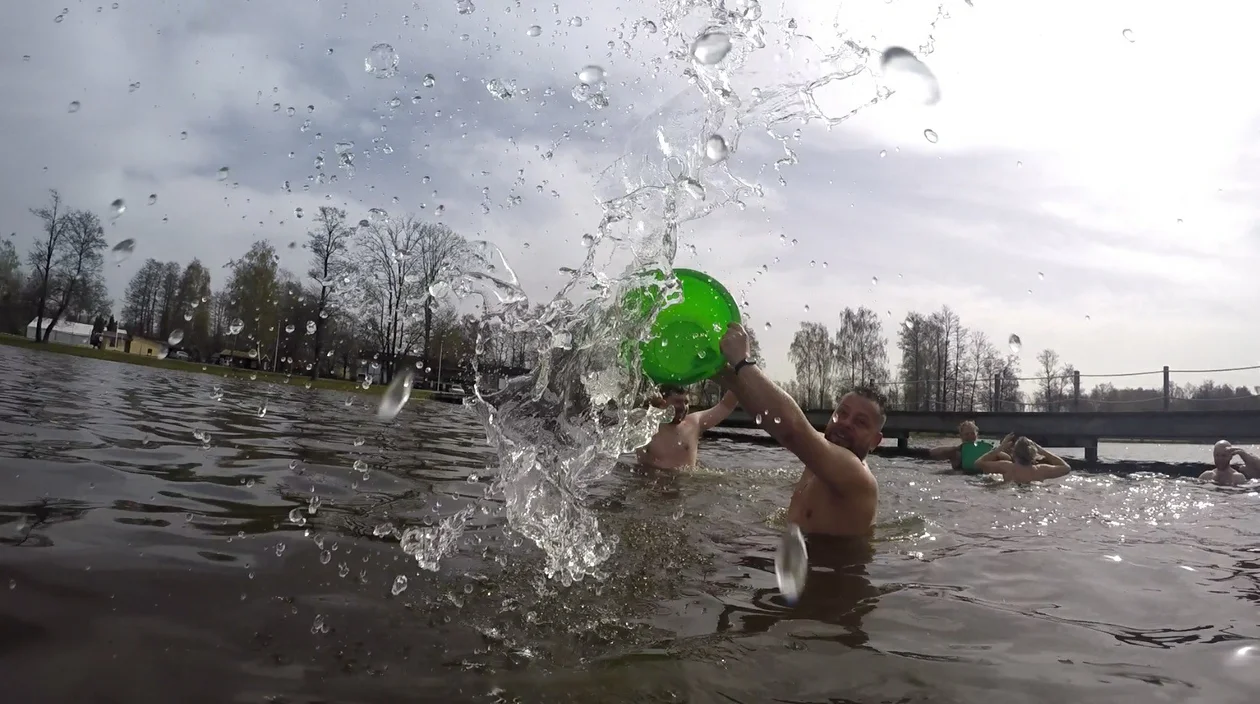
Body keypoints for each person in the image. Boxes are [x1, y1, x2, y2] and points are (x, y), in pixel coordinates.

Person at [713, 322, 883, 537]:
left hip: (830, 567)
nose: (846, 423)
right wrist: (727, 377)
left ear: (875, 441)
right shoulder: (820, 454)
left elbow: (792, 429)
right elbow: (769, 418)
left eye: (860, 422)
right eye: (843, 413)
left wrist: (743, 363)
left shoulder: (855, 474)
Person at [635, 384, 739, 470]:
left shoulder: (694, 423)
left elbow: (726, 406)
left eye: (686, 402)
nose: (683, 407)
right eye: (677, 402)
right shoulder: (645, 426)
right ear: (662, 402)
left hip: (687, 487)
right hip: (652, 488)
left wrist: (737, 375)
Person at [973, 433, 1072, 483]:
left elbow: (978, 462)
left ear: (1013, 454)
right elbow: (1066, 468)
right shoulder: (1041, 470)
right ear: (1033, 454)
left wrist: (1000, 448)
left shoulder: (1007, 467)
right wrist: (1042, 451)